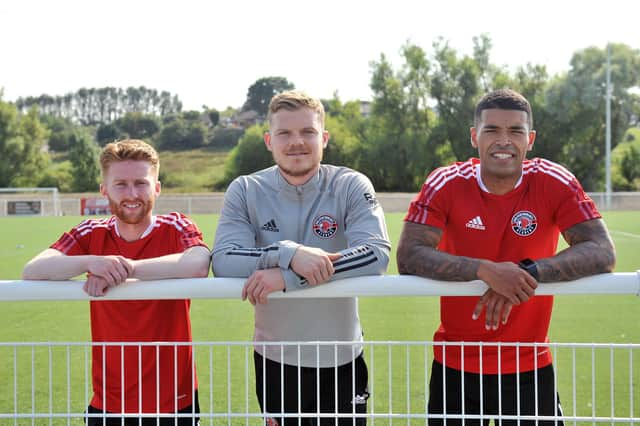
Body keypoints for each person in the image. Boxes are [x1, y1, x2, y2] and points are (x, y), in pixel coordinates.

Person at [396, 88, 616, 426]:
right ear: (474, 136)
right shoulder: (446, 183)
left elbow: (601, 251)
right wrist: (486, 271)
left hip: (529, 362)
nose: (504, 140)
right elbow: (409, 256)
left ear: (530, 139)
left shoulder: (552, 181)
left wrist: (524, 272)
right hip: (456, 364)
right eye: (492, 130)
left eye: (515, 131)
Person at [212, 90, 391, 425]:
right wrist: (289, 254)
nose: (297, 142)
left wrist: (288, 277)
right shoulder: (246, 190)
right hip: (277, 362)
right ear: (269, 140)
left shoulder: (350, 184)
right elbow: (224, 259)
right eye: (285, 133)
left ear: (323, 137)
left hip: (342, 360)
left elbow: (376, 254)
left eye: (307, 132)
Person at [22, 139, 210, 426]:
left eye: (141, 183)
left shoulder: (176, 226)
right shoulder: (91, 232)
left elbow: (198, 264)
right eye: (120, 184)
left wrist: (127, 268)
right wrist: (91, 262)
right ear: (104, 190)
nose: (131, 193)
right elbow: (33, 270)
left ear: (157, 188)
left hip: (174, 397)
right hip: (109, 399)